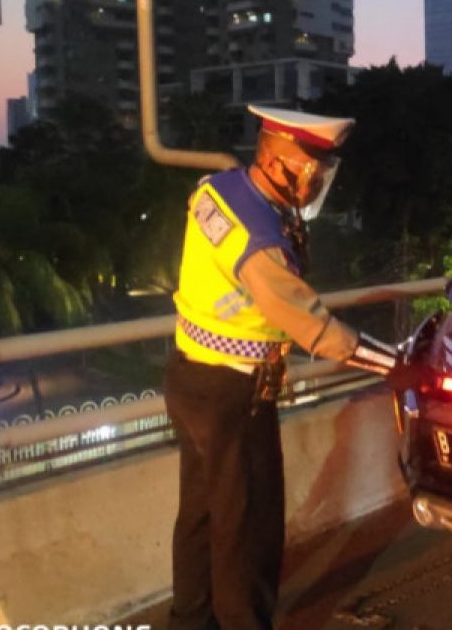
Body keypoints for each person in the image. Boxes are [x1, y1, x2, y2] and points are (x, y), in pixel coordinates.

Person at [164, 105, 395, 630]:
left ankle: (189, 620)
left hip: (189, 378)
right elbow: (310, 323)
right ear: (285, 163)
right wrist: (394, 364)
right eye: (315, 172)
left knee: (201, 515)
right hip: (234, 395)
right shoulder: (259, 240)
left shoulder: (217, 189)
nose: (318, 185)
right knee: (248, 532)